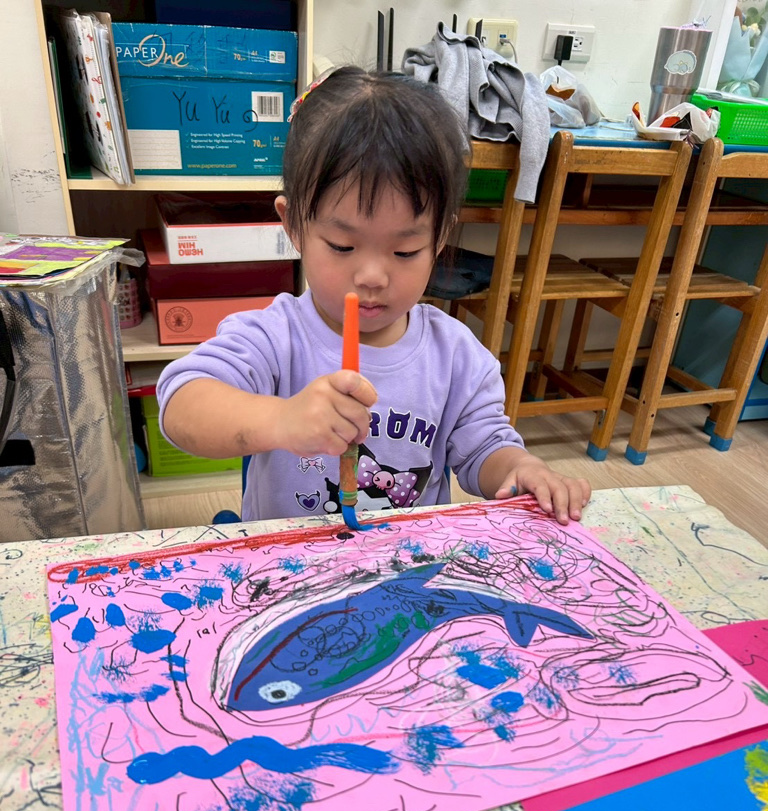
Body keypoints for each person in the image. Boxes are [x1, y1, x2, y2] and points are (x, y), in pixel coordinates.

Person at [157, 66, 590, 526]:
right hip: (292, 559)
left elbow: (486, 447)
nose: (371, 276)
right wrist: (281, 420)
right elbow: (182, 406)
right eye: (342, 246)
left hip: (405, 560)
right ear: (293, 225)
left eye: (405, 251)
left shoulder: (455, 354)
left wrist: (521, 469)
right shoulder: (274, 336)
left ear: (440, 237)